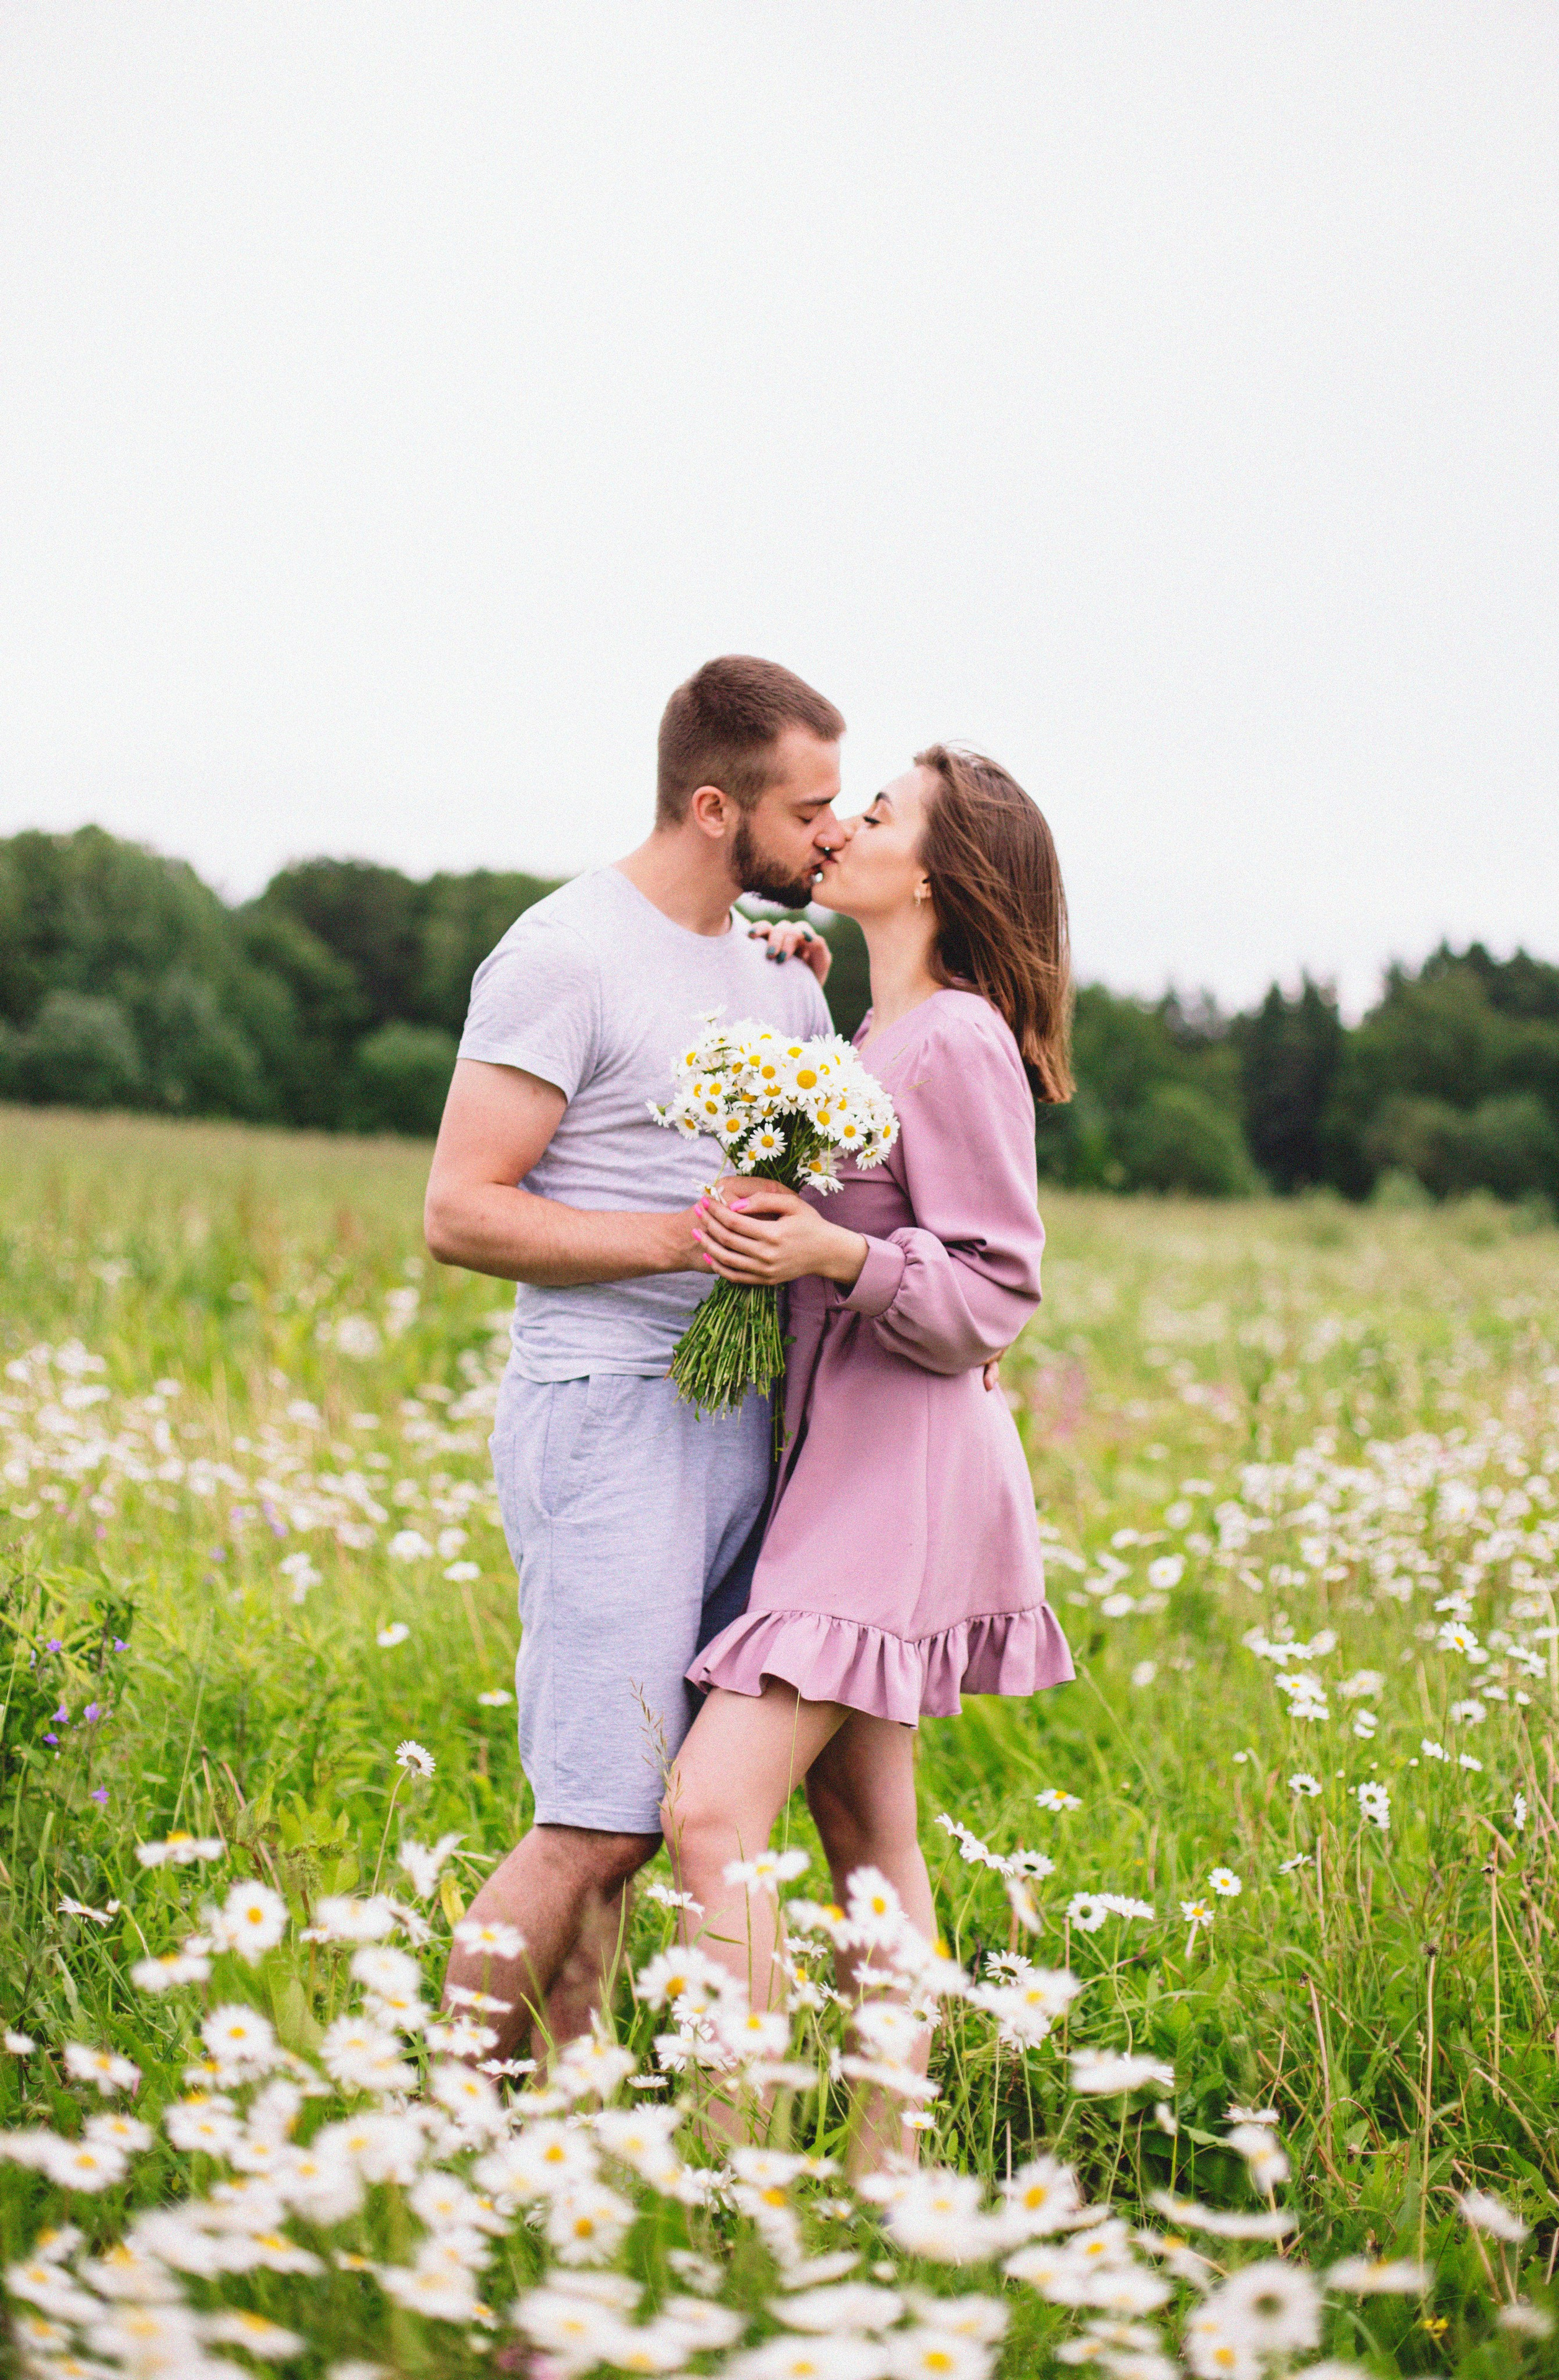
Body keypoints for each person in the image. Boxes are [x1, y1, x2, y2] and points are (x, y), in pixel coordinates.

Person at [424, 654, 845, 2057]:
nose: (830, 838)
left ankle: (561, 2132)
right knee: (589, 1821)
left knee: (658, 1821)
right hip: (606, 1411)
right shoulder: (563, 952)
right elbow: (461, 1211)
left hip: (748, 1429)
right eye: (809, 811)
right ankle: (450, 2127)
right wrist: (680, 1241)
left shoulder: (775, 973)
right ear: (716, 806)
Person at [668, 744, 1076, 2147]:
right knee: (866, 1843)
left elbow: (995, 1290)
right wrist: (788, 977)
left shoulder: (957, 1038)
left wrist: (835, 1255)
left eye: (880, 814)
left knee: (708, 1819)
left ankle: (732, 2170)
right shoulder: (878, 1034)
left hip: (894, 1480)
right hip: (843, 1465)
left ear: (940, 875)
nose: (843, 825)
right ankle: (885, 2172)